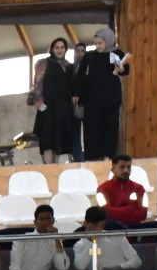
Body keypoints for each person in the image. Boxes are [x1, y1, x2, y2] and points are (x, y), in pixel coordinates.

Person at [71, 28, 130, 160]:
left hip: (111, 100)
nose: (98, 46)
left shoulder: (117, 53)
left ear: (108, 41)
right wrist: (76, 93)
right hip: (92, 100)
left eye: (100, 43)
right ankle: (93, 158)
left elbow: (126, 70)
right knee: (92, 129)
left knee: (110, 128)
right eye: (96, 43)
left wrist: (121, 69)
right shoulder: (89, 56)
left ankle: (109, 157)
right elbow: (80, 75)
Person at [32, 39, 75, 164]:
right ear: (52, 49)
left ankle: (54, 168)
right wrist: (40, 104)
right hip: (47, 106)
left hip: (63, 108)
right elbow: (37, 84)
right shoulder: (44, 63)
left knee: (59, 140)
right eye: (57, 47)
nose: (60, 50)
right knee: (47, 138)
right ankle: (48, 169)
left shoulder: (69, 66)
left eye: (62, 47)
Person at [98, 155, 149, 225]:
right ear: (113, 169)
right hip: (111, 229)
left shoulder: (139, 188)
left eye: (129, 167)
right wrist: (130, 209)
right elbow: (105, 213)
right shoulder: (102, 189)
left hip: (134, 228)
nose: (126, 170)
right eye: (122, 167)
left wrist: (116, 211)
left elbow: (143, 214)